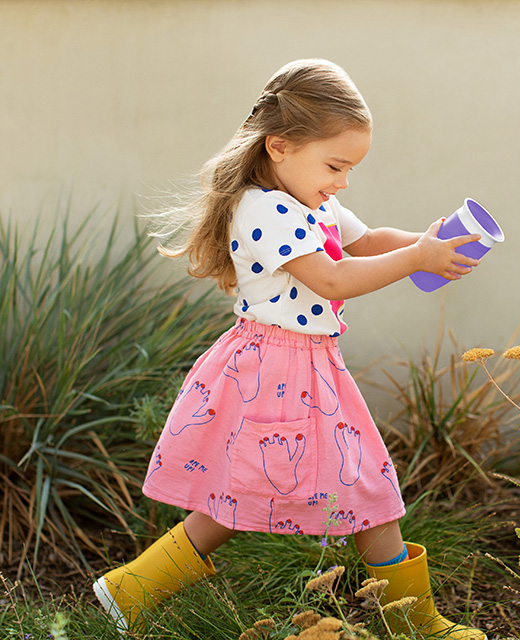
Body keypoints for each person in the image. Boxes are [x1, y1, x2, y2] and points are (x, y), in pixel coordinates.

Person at [92, 59, 485, 640]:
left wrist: (431, 242)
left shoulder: (308, 199)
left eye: (350, 168)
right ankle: (416, 626)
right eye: (335, 165)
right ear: (279, 146)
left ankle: (131, 588)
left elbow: (366, 240)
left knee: (248, 494)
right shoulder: (264, 209)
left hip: (303, 366)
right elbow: (332, 279)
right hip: (275, 369)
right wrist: (415, 262)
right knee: (365, 485)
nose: (342, 181)